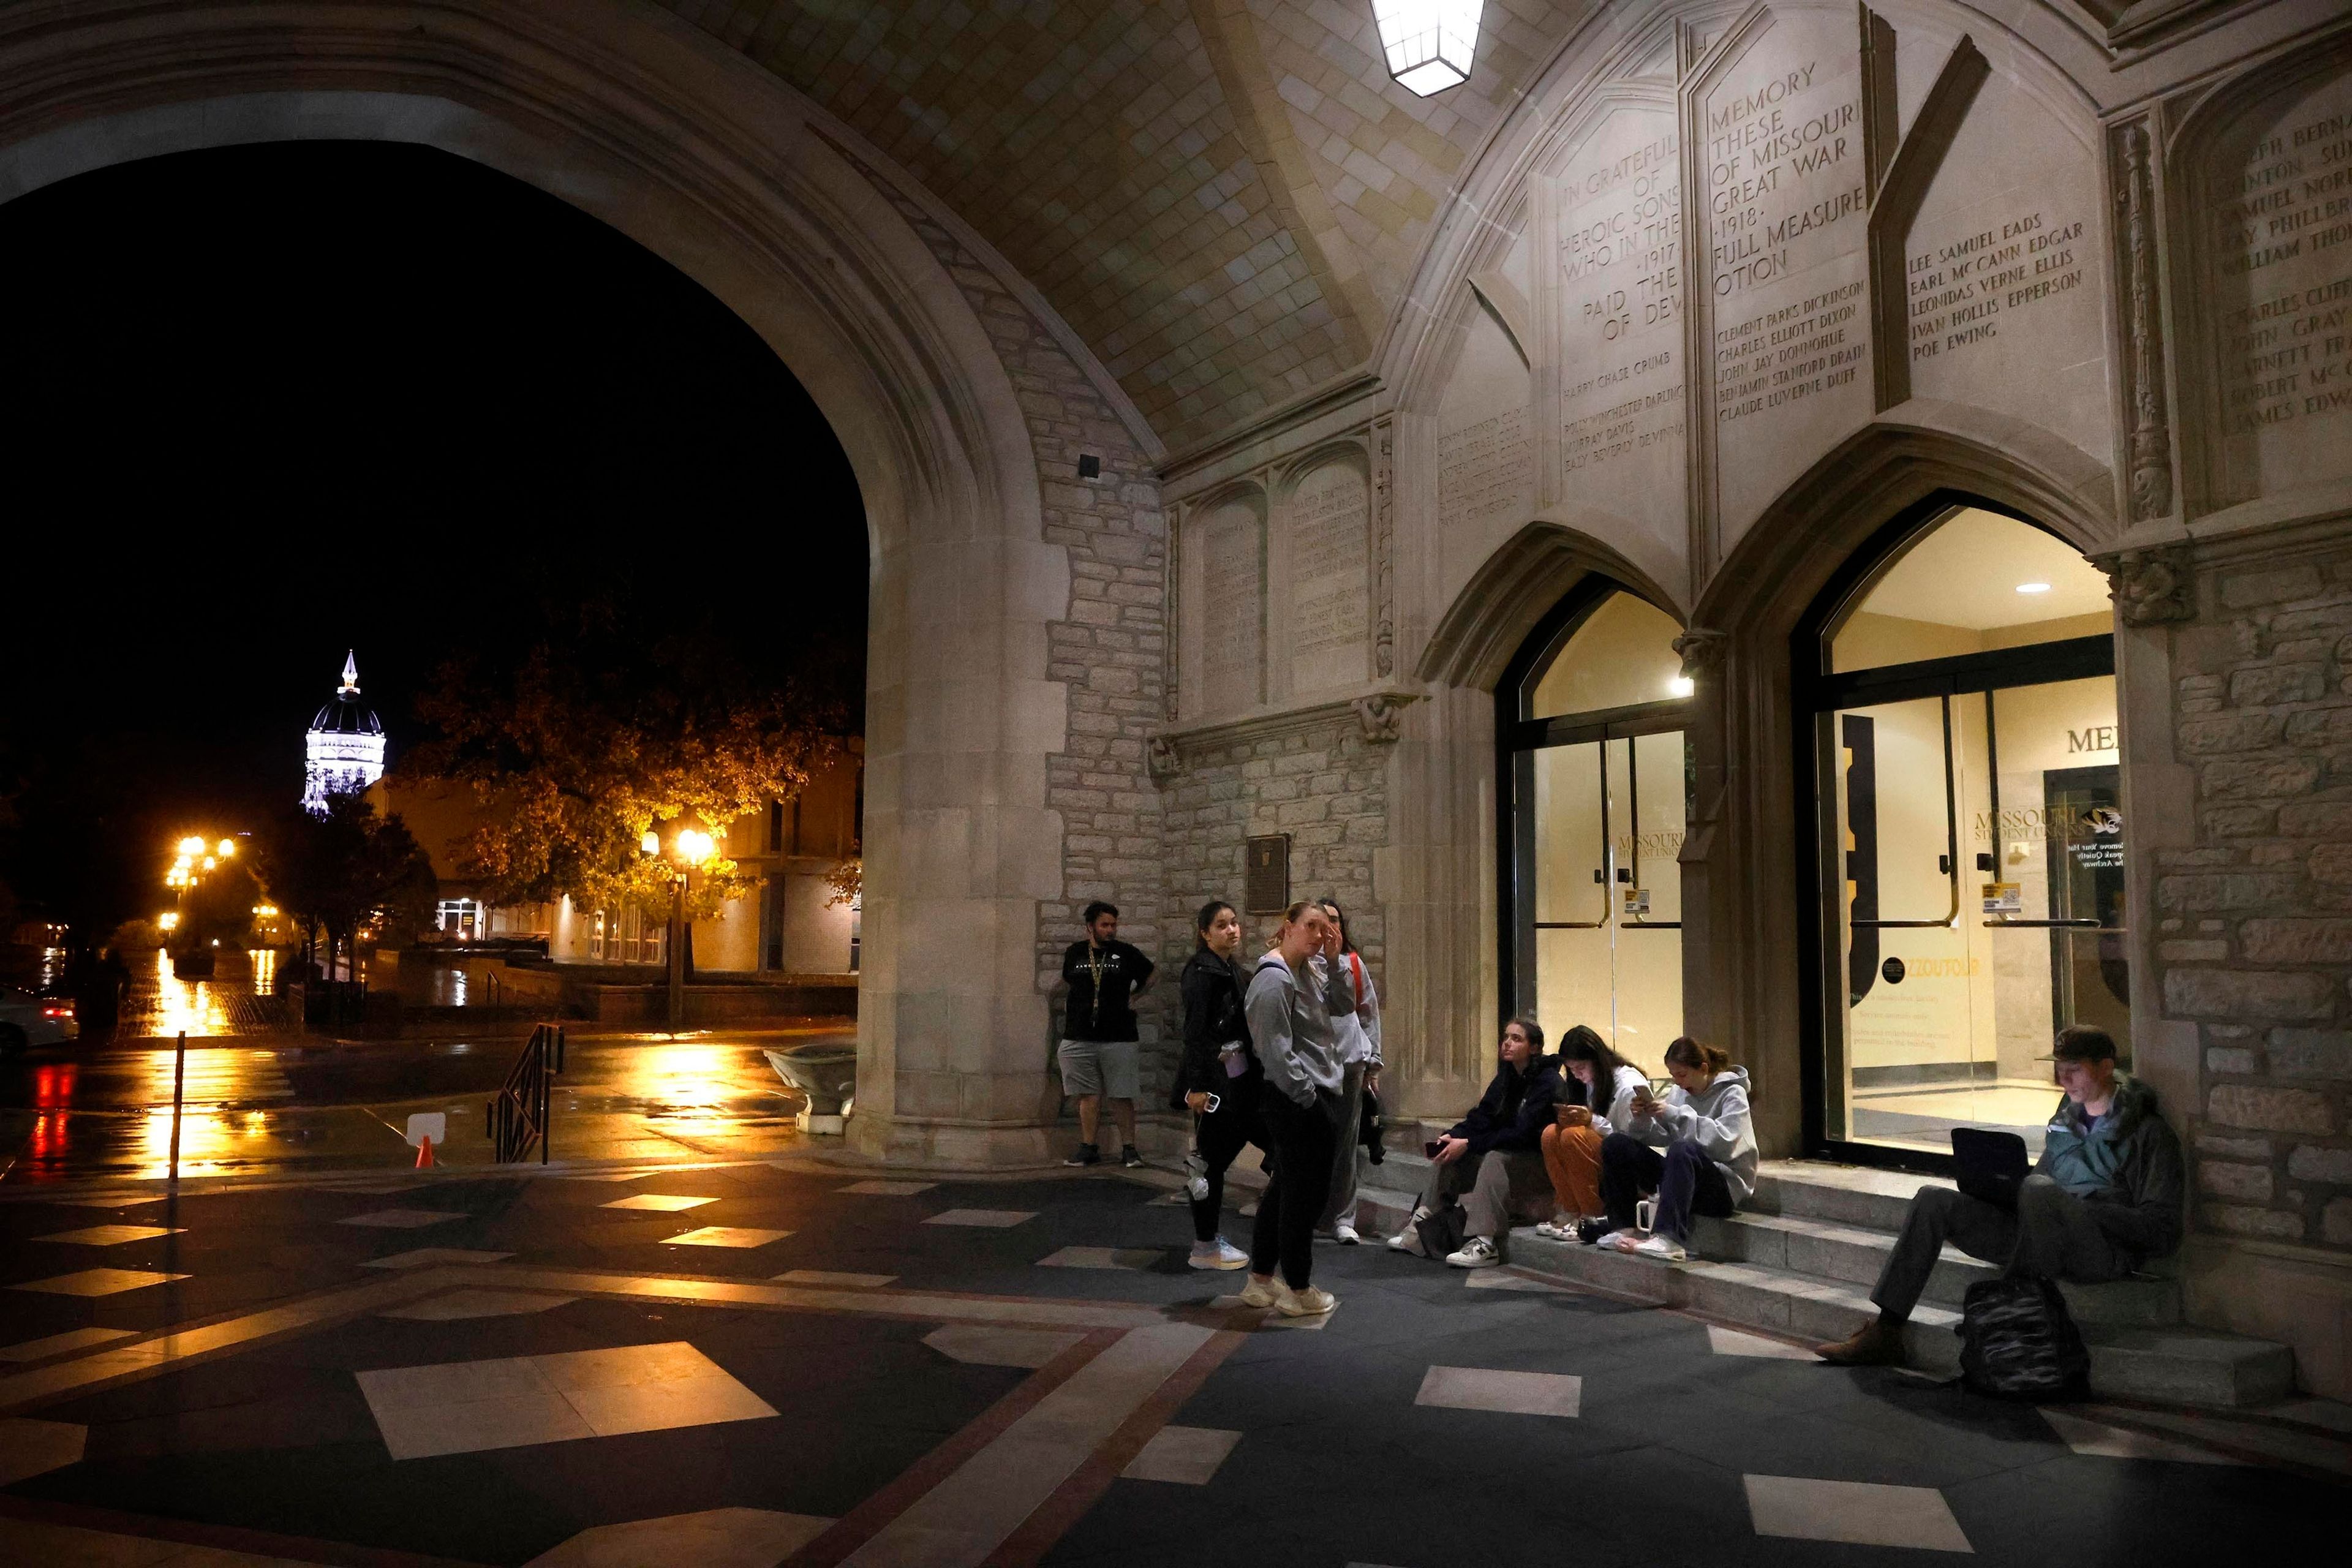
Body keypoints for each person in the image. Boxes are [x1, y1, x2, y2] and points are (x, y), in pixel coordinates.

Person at [1817, 1024, 2184, 1365]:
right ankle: (1887, 1329)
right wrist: (2002, 1189)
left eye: (2074, 1068)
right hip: (2039, 1235)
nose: (2062, 1079)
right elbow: (2039, 1183)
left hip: (2099, 1250)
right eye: (2059, 1068)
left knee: (2039, 1190)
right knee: (1933, 1200)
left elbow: (2163, 1229)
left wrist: (2082, 1210)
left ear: (2105, 1068)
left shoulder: (2149, 1134)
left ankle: (2004, 1309)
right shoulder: (2066, 1122)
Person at [1238, 900, 1359, 1316]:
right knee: (1305, 1197)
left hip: (1309, 1093)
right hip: (1295, 1098)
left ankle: (1261, 1280)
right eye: (1311, 926)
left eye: (1325, 929)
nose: (1319, 934)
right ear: (1286, 925)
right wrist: (1309, 1099)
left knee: (1286, 1189)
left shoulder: (1309, 969)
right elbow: (1274, 1050)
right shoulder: (1274, 979)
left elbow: (1343, 1008)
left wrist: (1337, 959)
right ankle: (1298, 1287)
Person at [1387, 1017, 1561, 1267]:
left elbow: (1522, 1134)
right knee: (1449, 1154)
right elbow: (1482, 1116)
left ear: (1534, 1048)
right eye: (1506, 1037)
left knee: (1494, 1158)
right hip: (1510, 1153)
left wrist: (1469, 1143)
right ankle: (1420, 1226)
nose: (1507, 1044)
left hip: (1538, 1164)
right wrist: (1455, 1135)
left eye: (1517, 1039)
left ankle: (1485, 1243)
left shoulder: (1548, 1082)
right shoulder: (1507, 1077)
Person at [1595, 1037, 1756, 1261]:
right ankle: (1622, 1227)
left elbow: (1726, 1143)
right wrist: (1642, 1117)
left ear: (1703, 1069)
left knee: (1682, 1149)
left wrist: (1675, 1114)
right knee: (1616, 1144)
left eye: (1682, 1075)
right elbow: (1661, 1136)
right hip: (1682, 1177)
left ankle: (1668, 1237)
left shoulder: (1733, 1094)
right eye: (1673, 1075)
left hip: (1721, 1186)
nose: (1677, 1082)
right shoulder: (1680, 1093)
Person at [1172, 899, 1259, 1270]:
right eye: (1222, 925)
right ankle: (1205, 1244)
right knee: (1207, 1164)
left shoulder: (1232, 970)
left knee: (1215, 1159)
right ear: (1205, 933)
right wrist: (1197, 1087)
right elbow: (1195, 1033)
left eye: (1235, 923)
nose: (1232, 930)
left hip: (1236, 1078)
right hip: (1214, 1082)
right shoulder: (1202, 972)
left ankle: (1210, 1239)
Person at [1058, 901, 1155, 1168]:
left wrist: (1137, 997)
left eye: (1113, 925)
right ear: (1091, 927)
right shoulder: (1075, 953)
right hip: (1080, 1035)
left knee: (1121, 1094)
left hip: (1119, 1035)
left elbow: (1151, 974)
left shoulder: (1126, 953)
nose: (1110, 930)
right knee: (1087, 1095)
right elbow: (1070, 981)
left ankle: (1130, 1149)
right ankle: (1089, 1146)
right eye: (1105, 925)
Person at [1534, 1025, 1648, 1241]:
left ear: (1597, 1059)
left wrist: (1591, 1120)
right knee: (1551, 1133)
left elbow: (1630, 1141)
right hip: (1601, 1153)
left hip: (1626, 1165)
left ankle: (1592, 1214)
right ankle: (1571, 1209)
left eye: (1581, 1068)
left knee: (1573, 1136)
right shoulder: (1586, 1083)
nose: (1576, 1075)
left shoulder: (1627, 1084)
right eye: (1572, 1069)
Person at [1313, 896, 1382, 1245]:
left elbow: (1367, 1013)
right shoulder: (1302, 964)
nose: (1331, 927)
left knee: (1345, 1144)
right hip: (1312, 1065)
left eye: (1336, 920)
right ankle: (1311, 1209)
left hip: (1350, 1062)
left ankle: (1343, 1217)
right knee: (1312, 1141)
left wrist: (1375, 1061)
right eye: (1323, 921)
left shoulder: (1352, 964)